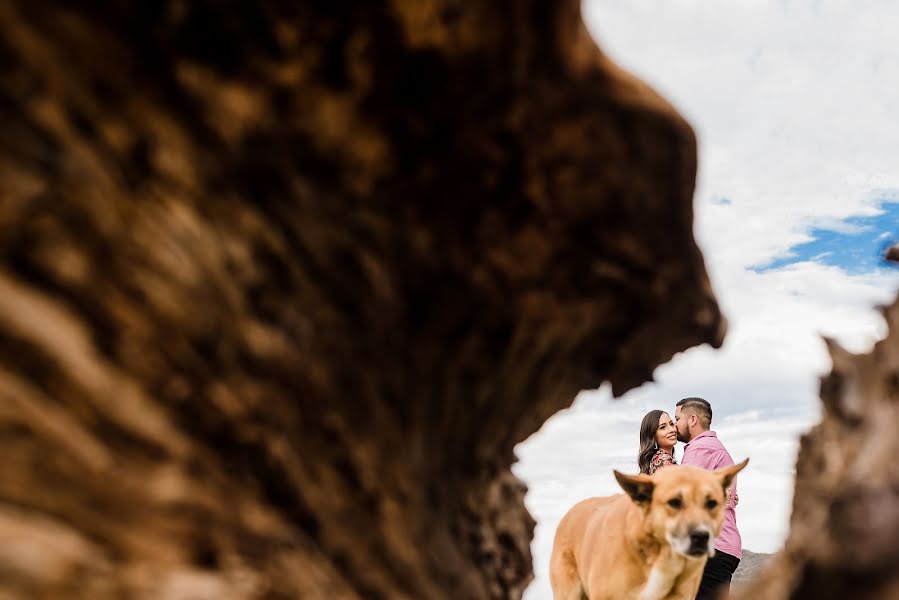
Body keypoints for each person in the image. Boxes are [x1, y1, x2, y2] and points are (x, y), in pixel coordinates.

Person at [675, 397, 741, 600]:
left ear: (692, 419)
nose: (675, 426)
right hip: (721, 546)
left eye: (677, 419)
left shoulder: (701, 449)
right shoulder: (712, 448)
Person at [637, 409, 678, 475]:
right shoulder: (663, 462)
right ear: (653, 436)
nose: (672, 430)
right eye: (663, 427)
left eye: (671, 424)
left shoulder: (657, 459)